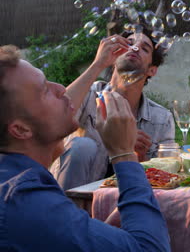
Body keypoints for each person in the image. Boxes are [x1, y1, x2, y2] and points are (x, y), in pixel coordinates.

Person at [0, 44, 170, 251]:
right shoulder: (23, 200)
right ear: (21, 129)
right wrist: (124, 154)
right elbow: (150, 248)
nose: (61, 89)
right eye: (44, 90)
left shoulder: (14, 181)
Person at [50, 27, 175, 190]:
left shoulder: (162, 118)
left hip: (123, 199)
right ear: (115, 56)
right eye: (129, 43)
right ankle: (64, 212)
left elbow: (163, 175)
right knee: (82, 145)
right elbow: (55, 116)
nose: (134, 48)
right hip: (76, 193)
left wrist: (135, 155)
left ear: (152, 70)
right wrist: (98, 63)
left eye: (144, 48)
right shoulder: (88, 95)